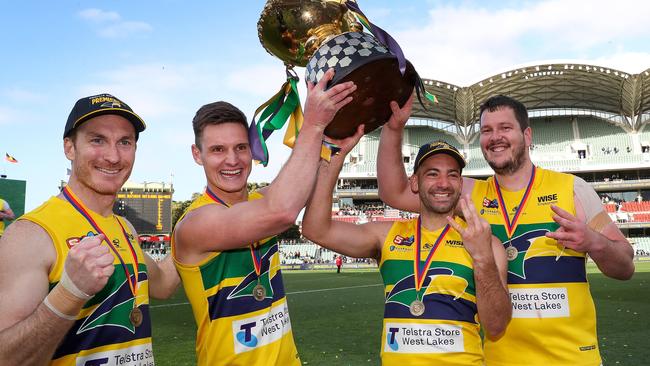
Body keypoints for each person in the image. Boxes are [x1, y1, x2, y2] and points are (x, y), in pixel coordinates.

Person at [377, 94, 635, 366]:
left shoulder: (572, 189)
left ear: (527, 135)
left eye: (505, 128)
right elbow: (394, 192)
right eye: (487, 130)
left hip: (571, 358)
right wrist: (394, 128)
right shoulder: (468, 194)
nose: (495, 136)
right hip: (501, 360)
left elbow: (625, 266)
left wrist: (595, 242)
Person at [172, 68, 356, 366]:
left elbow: (299, 189)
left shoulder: (261, 199)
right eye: (218, 150)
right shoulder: (195, 223)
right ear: (197, 154)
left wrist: (334, 153)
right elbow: (283, 211)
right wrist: (313, 125)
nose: (232, 160)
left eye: (241, 148)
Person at [0, 93, 180, 365]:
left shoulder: (125, 227)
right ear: (69, 148)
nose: (113, 156)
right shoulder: (31, 234)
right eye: (97, 140)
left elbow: (163, 285)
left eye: (125, 142)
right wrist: (69, 294)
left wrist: (198, 230)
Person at [302, 136, 511, 365]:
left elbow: (496, 327)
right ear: (414, 183)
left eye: (452, 175)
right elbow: (316, 229)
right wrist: (333, 161)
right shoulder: (386, 234)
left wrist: (482, 258)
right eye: (432, 174)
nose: (443, 183)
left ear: (460, 184)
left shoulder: (487, 243)